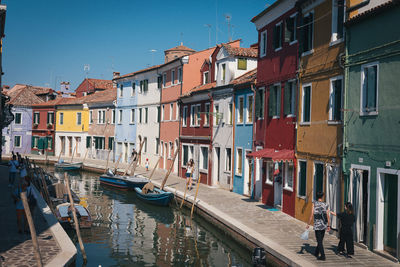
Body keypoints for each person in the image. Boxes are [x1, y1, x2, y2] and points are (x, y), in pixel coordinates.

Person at [307, 191, 330, 261]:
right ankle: (317, 252)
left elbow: (311, 214)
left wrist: (308, 223)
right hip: (323, 224)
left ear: (316, 196)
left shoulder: (314, 203)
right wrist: (329, 225)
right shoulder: (325, 204)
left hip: (317, 224)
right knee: (320, 240)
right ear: (322, 196)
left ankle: (323, 256)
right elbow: (328, 216)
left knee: (319, 240)